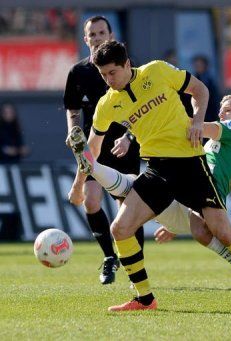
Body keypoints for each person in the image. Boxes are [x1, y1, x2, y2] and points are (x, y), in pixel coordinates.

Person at [68, 40, 231, 312]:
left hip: (190, 163)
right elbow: (92, 148)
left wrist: (197, 120)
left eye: (112, 72)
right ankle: (145, 298)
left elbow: (200, 89)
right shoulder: (107, 104)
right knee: (120, 229)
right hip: (156, 169)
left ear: (127, 64)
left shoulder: (157, 71)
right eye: (103, 75)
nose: (108, 80)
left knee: (222, 231)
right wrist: (79, 184)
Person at [69, 92, 231, 301]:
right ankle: (93, 166)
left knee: (133, 186)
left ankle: (94, 166)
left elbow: (199, 127)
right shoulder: (222, 142)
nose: (221, 113)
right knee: (133, 185)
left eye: (227, 110)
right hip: (186, 199)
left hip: (200, 201)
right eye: (221, 109)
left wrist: (161, 117)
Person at [64, 16, 143, 285]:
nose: (97, 37)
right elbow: (73, 109)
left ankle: (136, 268)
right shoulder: (78, 72)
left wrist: (129, 137)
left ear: (111, 35)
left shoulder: (126, 66)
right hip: (94, 147)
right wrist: (74, 130)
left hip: (124, 147)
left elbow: (144, 108)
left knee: (128, 207)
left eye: (101, 32)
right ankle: (110, 258)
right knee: (91, 200)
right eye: (92, 34)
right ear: (85, 39)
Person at [192, 55, 219, 122]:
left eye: (200, 65)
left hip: (210, 114)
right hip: (197, 115)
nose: (198, 67)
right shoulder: (193, 79)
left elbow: (214, 100)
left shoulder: (210, 80)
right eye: (196, 65)